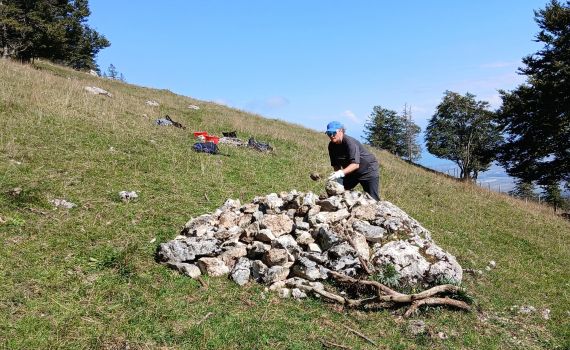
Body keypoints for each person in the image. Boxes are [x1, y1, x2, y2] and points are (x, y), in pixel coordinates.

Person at [326, 121, 380, 200]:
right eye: (329, 133)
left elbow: (355, 164)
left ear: (341, 131)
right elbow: (336, 165)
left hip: (368, 170)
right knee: (337, 191)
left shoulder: (349, 143)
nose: (331, 135)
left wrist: (340, 173)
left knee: (372, 198)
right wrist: (339, 179)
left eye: (334, 132)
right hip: (351, 173)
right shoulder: (331, 146)